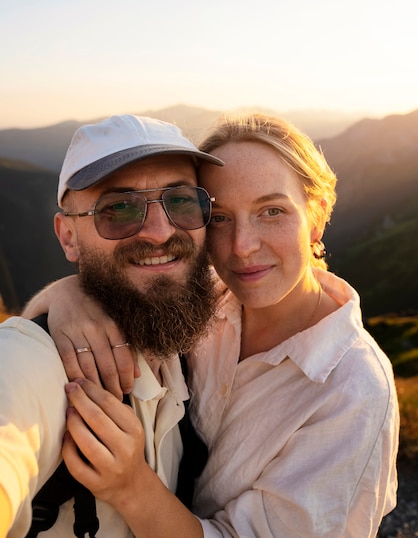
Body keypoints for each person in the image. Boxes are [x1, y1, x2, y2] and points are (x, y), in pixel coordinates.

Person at [24, 114, 400, 537]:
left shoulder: (353, 389)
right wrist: (68, 296)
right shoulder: (202, 297)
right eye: (219, 217)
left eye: (272, 211)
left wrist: (131, 486)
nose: (243, 246)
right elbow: (125, 282)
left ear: (316, 217)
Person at [0, 113, 223, 537]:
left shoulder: (196, 337)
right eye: (118, 208)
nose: (160, 232)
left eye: (180, 201)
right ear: (68, 237)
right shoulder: (40, 362)